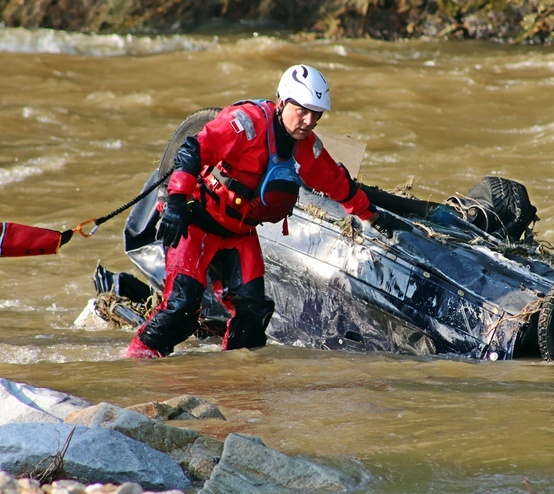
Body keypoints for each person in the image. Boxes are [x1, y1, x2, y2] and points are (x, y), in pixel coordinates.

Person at [125, 64, 407, 358]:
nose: (309, 121)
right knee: (181, 306)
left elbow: (337, 184)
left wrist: (372, 216)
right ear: (283, 102)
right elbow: (194, 150)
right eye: (302, 110)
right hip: (197, 222)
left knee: (253, 313)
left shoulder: (307, 148)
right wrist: (175, 204)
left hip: (239, 234)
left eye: (317, 114)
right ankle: (137, 361)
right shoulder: (245, 123)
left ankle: (236, 380)